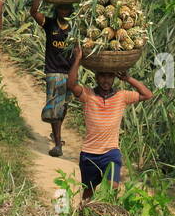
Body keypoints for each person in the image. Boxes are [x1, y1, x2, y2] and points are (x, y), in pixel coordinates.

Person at [66, 45, 154, 200]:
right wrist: (78, 60)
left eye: (109, 76)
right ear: (96, 77)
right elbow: (71, 85)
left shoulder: (121, 96)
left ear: (114, 78)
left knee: (113, 188)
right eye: (102, 76)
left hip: (111, 152)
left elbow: (147, 95)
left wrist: (128, 79)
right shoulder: (88, 95)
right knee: (88, 193)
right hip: (89, 154)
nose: (106, 80)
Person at [30, 0, 75, 157]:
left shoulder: (75, 28)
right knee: (55, 108)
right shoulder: (50, 24)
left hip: (70, 73)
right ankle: (57, 144)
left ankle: (57, 134)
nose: (64, 11)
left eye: (67, 8)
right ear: (56, 9)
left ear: (71, 10)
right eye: (61, 8)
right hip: (54, 72)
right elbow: (34, 12)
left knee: (64, 107)